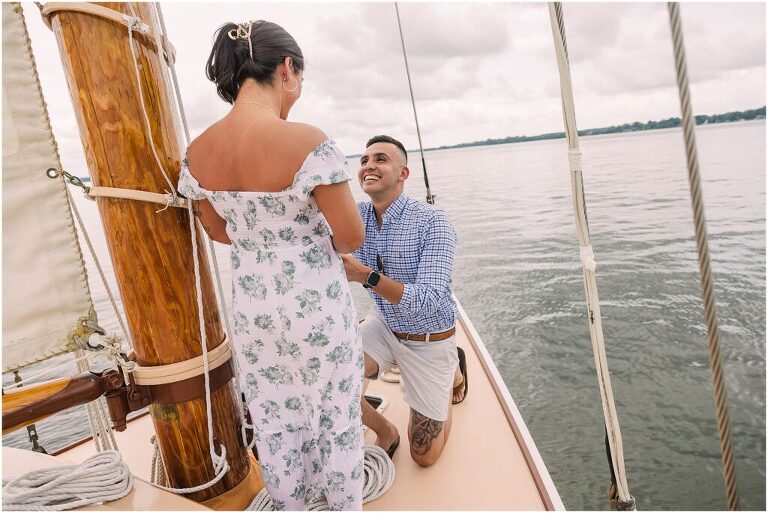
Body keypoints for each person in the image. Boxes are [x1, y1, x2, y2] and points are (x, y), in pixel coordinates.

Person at [177, 20, 365, 510]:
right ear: (286, 69)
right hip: (314, 306)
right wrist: (303, 241)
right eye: (299, 77)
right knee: (336, 419)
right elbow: (350, 236)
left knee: (276, 420)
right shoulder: (307, 141)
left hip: (253, 308)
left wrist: (261, 238)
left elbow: (218, 230)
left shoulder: (198, 152)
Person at [341, 135, 468, 468]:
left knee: (424, 456)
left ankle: (452, 369)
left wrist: (365, 275)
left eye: (380, 159)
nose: (368, 165)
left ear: (403, 173)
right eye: (364, 160)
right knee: (331, 380)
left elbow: (429, 300)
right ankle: (386, 431)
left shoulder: (432, 221)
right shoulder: (356, 217)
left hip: (429, 338)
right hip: (385, 326)